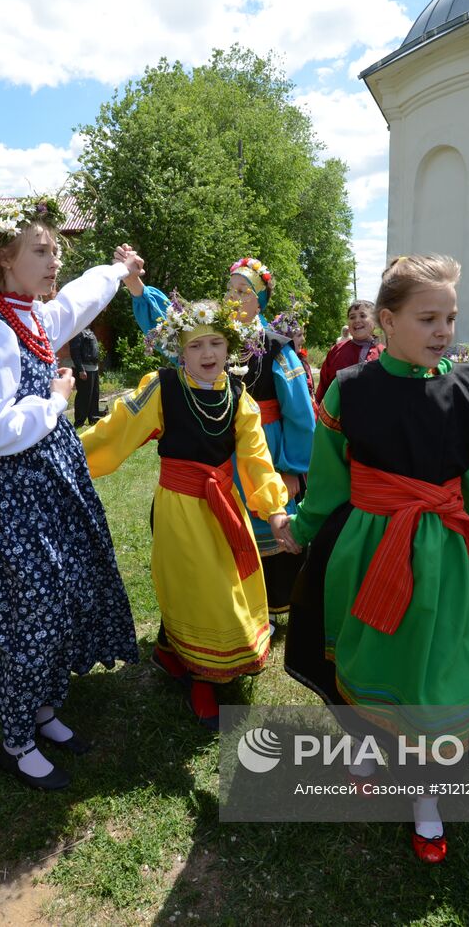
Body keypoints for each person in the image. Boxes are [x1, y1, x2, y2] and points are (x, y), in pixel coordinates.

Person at [285, 254, 469, 864]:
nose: (443, 331)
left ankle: (425, 796)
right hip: (365, 552)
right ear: (387, 321)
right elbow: (329, 480)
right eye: (428, 318)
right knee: (365, 656)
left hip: (442, 560)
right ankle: (367, 745)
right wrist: (304, 527)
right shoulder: (350, 389)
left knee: (431, 676)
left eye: (450, 318)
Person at [0, 196, 142, 791]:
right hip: (18, 492)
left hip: (51, 482)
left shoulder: (33, 318)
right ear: (5, 259)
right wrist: (56, 402)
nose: (54, 260)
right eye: (40, 250)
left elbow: (80, 299)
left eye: (56, 250)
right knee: (31, 613)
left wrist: (119, 270)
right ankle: (15, 742)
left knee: (62, 598)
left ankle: (42, 709)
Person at [82, 296, 289, 729]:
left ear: (230, 347)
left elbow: (256, 459)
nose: (207, 353)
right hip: (179, 508)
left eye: (216, 343)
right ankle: (202, 678)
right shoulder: (163, 388)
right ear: (180, 350)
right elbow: (116, 430)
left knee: (224, 585)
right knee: (196, 588)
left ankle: (171, 652)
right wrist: (66, 454)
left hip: (224, 507)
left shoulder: (239, 397)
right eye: (196, 345)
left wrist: (273, 509)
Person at [126, 257, 315, 622]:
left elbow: (299, 413)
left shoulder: (276, 347)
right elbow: (172, 331)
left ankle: (269, 605)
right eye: (230, 290)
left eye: (244, 291)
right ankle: (226, 602)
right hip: (217, 447)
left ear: (260, 302)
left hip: (263, 448)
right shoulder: (214, 336)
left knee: (265, 519)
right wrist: (138, 289)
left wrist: (293, 469)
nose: (234, 297)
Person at [315, 299, 383, 405]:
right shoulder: (336, 351)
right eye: (352, 317)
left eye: (363, 316)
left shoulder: (384, 353)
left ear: (375, 320)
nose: (357, 320)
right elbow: (323, 387)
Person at [66, 324, 104, 426]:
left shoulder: (88, 331)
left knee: (94, 394)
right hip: (85, 370)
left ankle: (93, 418)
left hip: (93, 368)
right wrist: (81, 369)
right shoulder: (77, 332)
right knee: (84, 396)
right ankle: (79, 421)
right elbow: (75, 352)